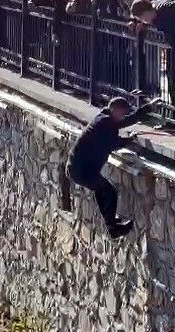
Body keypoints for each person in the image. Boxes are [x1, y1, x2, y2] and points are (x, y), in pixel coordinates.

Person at [66, 97, 156, 238]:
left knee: (102, 191)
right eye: (122, 113)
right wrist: (128, 140)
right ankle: (112, 228)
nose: (123, 116)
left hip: (80, 168)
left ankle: (110, 222)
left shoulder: (105, 117)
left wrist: (147, 108)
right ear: (115, 109)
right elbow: (112, 143)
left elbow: (125, 122)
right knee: (109, 192)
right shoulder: (104, 123)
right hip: (82, 171)